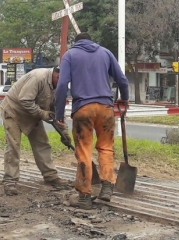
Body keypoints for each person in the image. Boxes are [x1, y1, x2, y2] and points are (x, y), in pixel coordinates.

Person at [54, 32, 129, 210]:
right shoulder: (105, 53)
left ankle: (84, 197)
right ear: (91, 41)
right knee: (106, 148)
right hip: (106, 108)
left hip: (83, 109)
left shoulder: (70, 55)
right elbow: (122, 79)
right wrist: (124, 99)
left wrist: (58, 113)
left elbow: (62, 85)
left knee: (84, 151)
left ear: (76, 43)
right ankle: (107, 186)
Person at [0, 66, 71, 196]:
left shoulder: (60, 87)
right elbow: (24, 100)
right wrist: (43, 114)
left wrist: (64, 133)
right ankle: (10, 181)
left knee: (42, 144)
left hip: (32, 114)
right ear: (58, 76)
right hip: (14, 111)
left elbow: (57, 112)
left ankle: (51, 176)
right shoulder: (38, 77)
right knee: (13, 146)